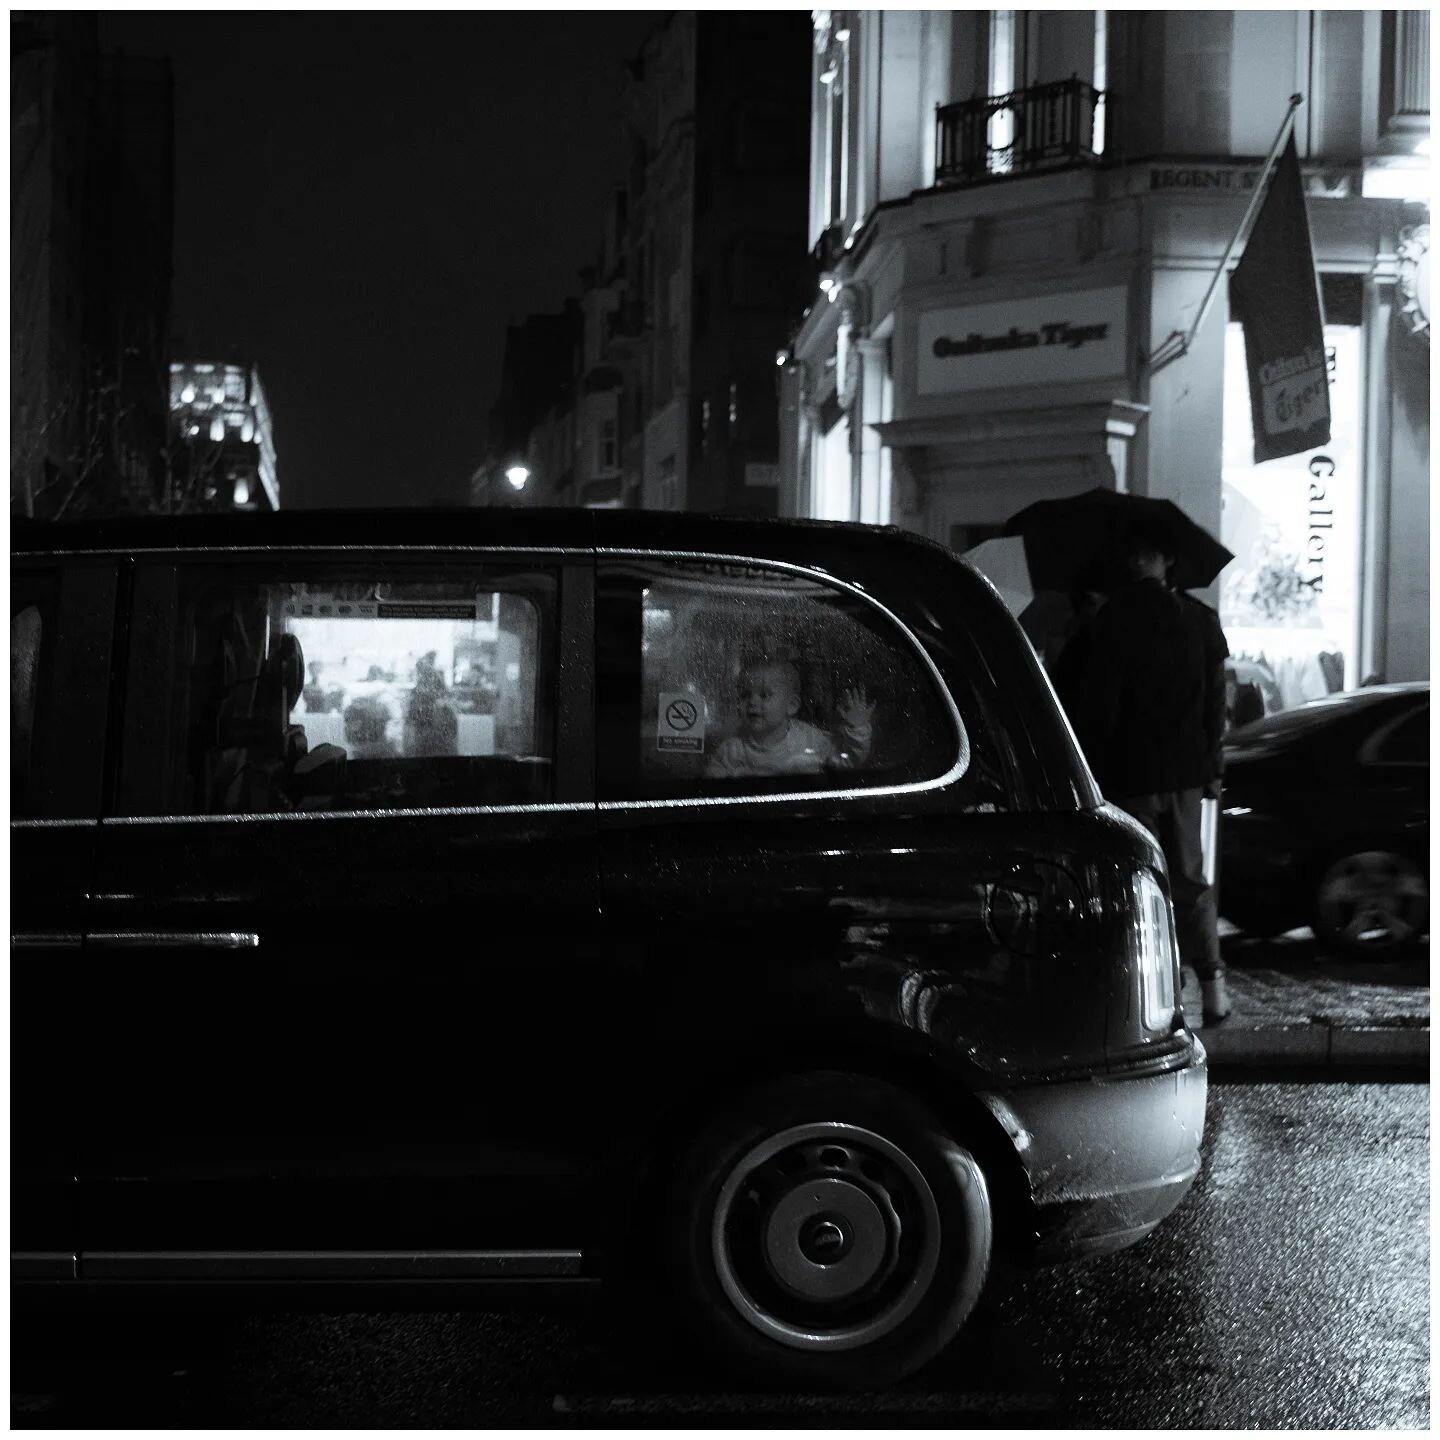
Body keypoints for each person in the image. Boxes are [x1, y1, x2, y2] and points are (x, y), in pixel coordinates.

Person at [1071, 531, 1231, 1025]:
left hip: (1133, 770)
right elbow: (1215, 701)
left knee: (1145, 880)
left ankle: (1167, 992)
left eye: (1146, 549)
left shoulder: (1114, 618)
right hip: (1184, 770)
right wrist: (1212, 766)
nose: (1142, 557)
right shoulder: (1201, 619)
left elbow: (1104, 704)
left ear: (1160, 559)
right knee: (1189, 878)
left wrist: (1093, 768)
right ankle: (1213, 987)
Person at [705, 656, 874, 779]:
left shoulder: (810, 740)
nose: (752, 702)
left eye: (764, 695)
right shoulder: (733, 747)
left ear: (791, 705)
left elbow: (847, 762)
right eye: (745, 695)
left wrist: (857, 728)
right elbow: (712, 777)